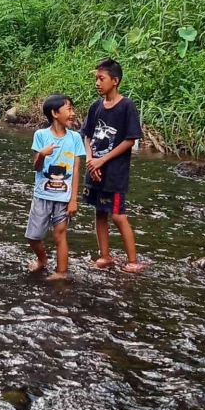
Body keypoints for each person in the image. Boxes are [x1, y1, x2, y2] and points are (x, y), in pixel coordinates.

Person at [81, 57, 146, 273]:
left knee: (118, 215)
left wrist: (102, 160)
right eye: (96, 79)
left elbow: (130, 140)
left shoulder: (126, 106)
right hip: (94, 170)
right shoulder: (95, 106)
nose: (97, 83)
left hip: (114, 172)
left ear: (115, 80)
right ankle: (105, 256)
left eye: (102, 79)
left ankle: (133, 260)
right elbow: (87, 136)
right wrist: (91, 160)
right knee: (99, 212)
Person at [25, 94, 85, 280]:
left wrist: (73, 199)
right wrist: (42, 154)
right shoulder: (40, 135)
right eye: (69, 109)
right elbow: (36, 166)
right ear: (54, 113)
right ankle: (43, 260)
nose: (73, 113)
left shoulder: (75, 138)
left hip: (64, 197)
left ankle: (61, 272)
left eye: (72, 109)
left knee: (60, 235)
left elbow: (75, 170)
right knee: (33, 236)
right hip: (42, 194)